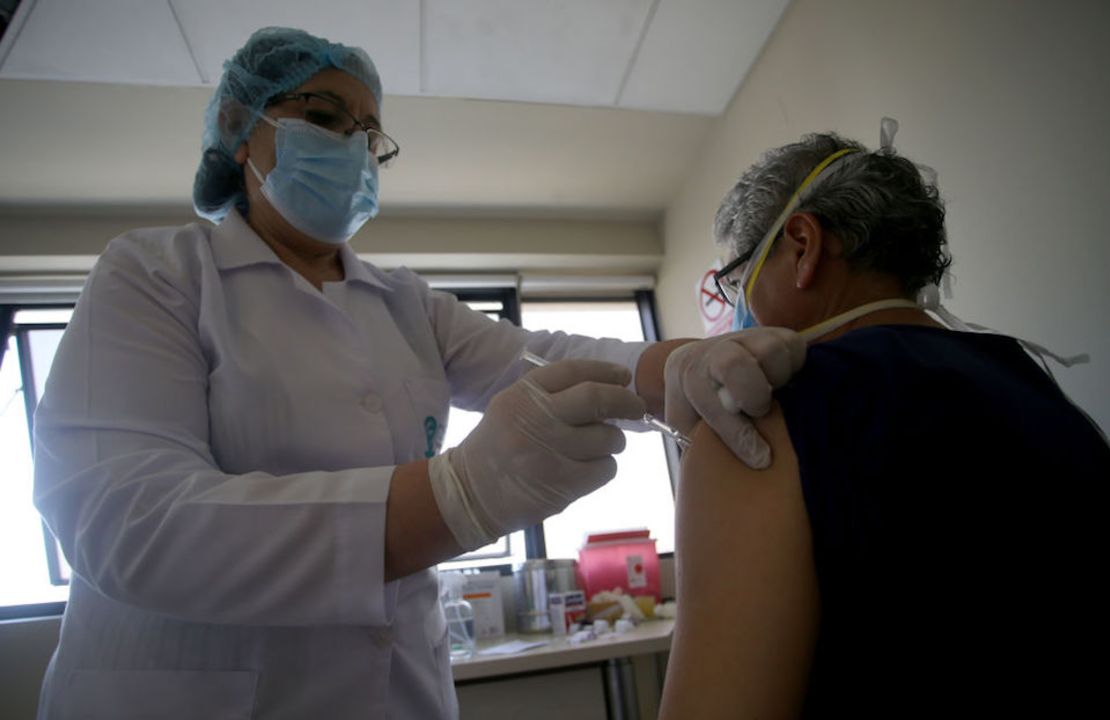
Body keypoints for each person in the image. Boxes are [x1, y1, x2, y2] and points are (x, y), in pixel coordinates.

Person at [30, 27, 803, 719]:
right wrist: (454, 497)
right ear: (240, 134)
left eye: (371, 136)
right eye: (324, 119)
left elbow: (539, 355)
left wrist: (684, 364)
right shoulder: (156, 275)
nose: (355, 148)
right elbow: (127, 520)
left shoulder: (403, 303)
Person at [658, 127, 1109, 717]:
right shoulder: (1031, 383)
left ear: (802, 245)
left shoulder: (761, 417)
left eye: (740, 282)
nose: (739, 313)